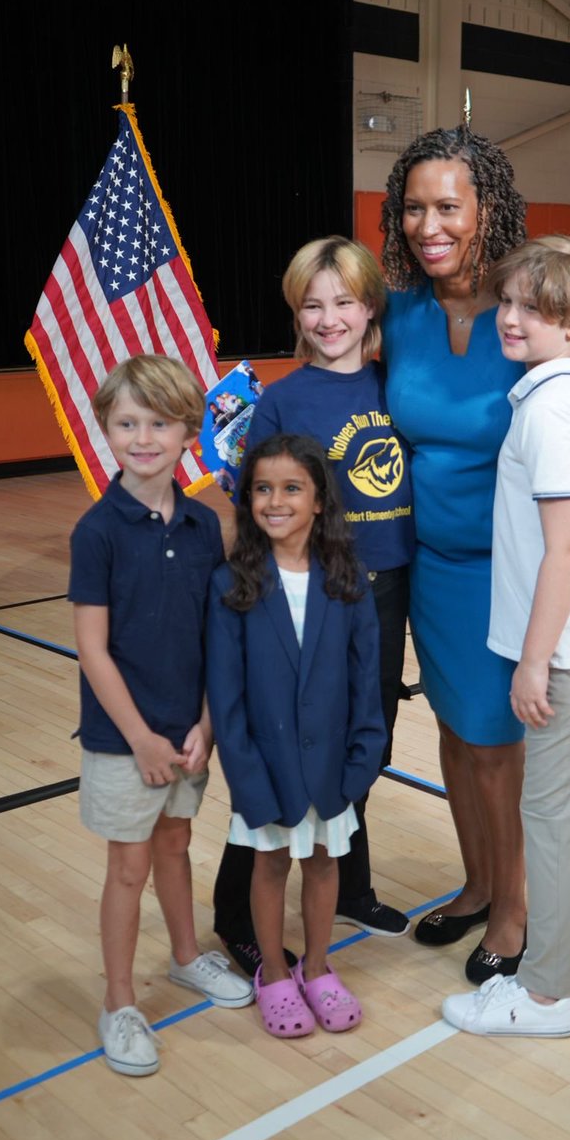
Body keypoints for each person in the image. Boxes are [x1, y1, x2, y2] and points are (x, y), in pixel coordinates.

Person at [380, 124, 570, 985]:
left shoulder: (532, 303)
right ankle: (477, 884)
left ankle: (516, 909)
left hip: (517, 575)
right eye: (413, 207)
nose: (428, 226)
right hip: (432, 567)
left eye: (447, 207)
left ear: (486, 208)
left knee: (500, 747)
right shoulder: (401, 311)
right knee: (457, 737)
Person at [442, 236, 570, 1037]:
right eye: (507, 301)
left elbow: (566, 549)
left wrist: (533, 663)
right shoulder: (567, 394)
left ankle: (544, 995)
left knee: (553, 821)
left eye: (534, 307)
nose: (510, 317)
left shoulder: (553, 407)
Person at [211, 237, 413, 975]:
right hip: (310, 596)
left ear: (370, 308)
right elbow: (255, 504)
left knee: (366, 743)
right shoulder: (284, 399)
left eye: (344, 302)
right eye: (312, 305)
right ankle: (236, 914)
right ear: (297, 314)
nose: (329, 319)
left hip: (385, 588)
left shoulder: (395, 384)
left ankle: (349, 886)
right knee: (282, 753)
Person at [69, 355, 253, 1079]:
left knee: (176, 843)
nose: (142, 439)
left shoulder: (207, 525)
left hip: (186, 730)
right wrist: (140, 738)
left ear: (188, 433)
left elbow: (214, 634)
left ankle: (184, 956)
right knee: (129, 866)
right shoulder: (97, 531)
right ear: (106, 430)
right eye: (127, 424)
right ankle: (118, 1002)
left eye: (159, 423)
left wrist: (204, 724)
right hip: (126, 738)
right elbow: (92, 647)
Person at [205, 433, 386, 1038]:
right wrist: (247, 781)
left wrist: (359, 766)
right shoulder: (231, 584)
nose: (275, 501)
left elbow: (366, 681)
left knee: (324, 865)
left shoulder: (348, 580)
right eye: (262, 488)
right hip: (268, 768)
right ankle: (276, 975)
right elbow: (226, 699)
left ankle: (316, 967)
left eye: (291, 488)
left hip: (333, 768)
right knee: (270, 863)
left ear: (318, 500)